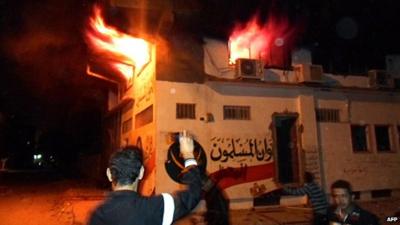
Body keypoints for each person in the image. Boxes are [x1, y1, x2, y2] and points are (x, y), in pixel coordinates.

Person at [88, 132, 202, 225]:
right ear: (141, 172)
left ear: (109, 174)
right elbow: (193, 193)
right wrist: (188, 154)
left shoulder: (98, 215)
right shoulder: (155, 207)